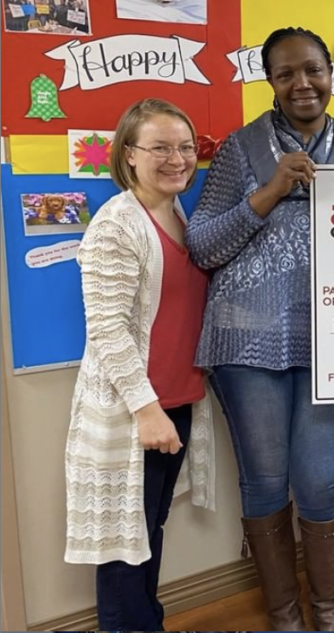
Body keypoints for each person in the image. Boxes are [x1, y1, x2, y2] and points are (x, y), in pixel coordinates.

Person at [187, 27, 334, 631]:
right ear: (270, 81)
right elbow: (202, 246)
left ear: (331, 75)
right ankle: (284, 613)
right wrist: (270, 191)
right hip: (248, 338)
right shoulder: (242, 150)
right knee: (266, 478)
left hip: (332, 343)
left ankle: (329, 606)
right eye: (287, 73)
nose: (303, 83)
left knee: (320, 480)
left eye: (314, 70)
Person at [64, 98, 215, 631]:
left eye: (184, 147)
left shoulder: (176, 212)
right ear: (129, 154)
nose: (176, 159)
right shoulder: (117, 225)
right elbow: (106, 330)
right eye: (159, 148)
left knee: (148, 530)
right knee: (124, 545)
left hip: (176, 402)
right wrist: (147, 411)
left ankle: (148, 621)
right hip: (138, 412)